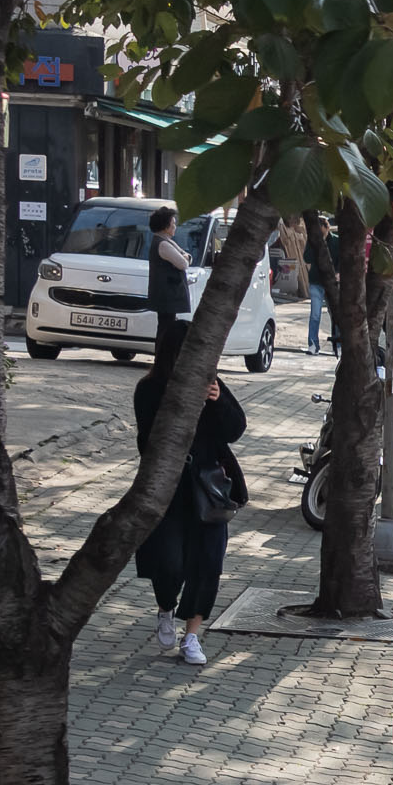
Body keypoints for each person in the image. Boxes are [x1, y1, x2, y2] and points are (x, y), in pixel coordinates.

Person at [133, 324, 247, 667]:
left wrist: (218, 400)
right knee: (168, 563)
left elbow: (235, 429)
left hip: (208, 487)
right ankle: (166, 607)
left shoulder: (211, 385)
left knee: (208, 563)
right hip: (168, 487)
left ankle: (192, 635)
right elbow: (145, 442)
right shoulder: (150, 388)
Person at [147, 206, 192, 341]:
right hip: (167, 294)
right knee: (166, 328)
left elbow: (187, 256)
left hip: (167, 293)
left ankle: (163, 356)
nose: (175, 227)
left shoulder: (167, 241)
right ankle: (162, 357)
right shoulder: (163, 244)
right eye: (173, 224)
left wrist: (185, 257)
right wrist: (184, 257)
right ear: (165, 226)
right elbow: (183, 264)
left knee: (166, 326)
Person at [303, 212, 335, 355]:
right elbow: (307, 258)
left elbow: (342, 259)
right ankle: (313, 344)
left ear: (326, 228)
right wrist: (313, 244)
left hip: (332, 282)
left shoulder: (336, 242)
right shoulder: (313, 241)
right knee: (315, 314)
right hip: (316, 281)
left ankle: (338, 344)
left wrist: (339, 272)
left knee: (336, 314)